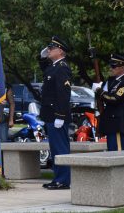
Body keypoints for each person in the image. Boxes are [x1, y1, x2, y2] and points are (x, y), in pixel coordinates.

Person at [39, 36, 72, 190]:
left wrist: (60, 115)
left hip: (57, 115)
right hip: (50, 114)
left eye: (52, 48)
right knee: (55, 149)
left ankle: (63, 180)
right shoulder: (53, 67)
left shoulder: (62, 67)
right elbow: (43, 67)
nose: (49, 50)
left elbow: (63, 94)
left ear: (60, 51)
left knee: (60, 148)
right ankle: (58, 178)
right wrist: (42, 56)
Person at [93, 54, 124, 151]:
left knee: (118, 153)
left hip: (117, 124)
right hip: (111, 123)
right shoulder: (114, 81)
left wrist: (100, 91)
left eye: (114, 66)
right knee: (112, 151)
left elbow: (114, 99)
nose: (111, 68)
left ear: (123, 68)